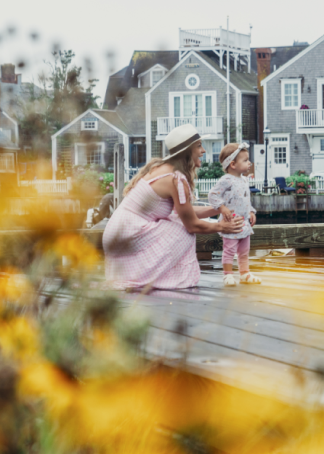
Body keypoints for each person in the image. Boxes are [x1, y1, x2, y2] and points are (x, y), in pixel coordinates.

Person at [103, 124, 244, 290]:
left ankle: (154, 277)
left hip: (118, 233)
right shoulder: (175, 179)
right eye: (199, 146)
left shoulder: (163, 169)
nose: (203, 151)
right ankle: (170, 279)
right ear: (187, 151)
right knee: (185, 231)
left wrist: (219, 208)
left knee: (178, 221)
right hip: (128, 235)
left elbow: (186, 213)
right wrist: (221, 226)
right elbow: (191, 224)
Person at [208, 142, 261, 287]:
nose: (249, 162)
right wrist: (222, 208)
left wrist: (251, 211)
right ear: (232, 164)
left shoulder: (244, 180)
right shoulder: (226, 180)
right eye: (245, 160)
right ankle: (228, 275)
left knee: (244, 251)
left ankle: (244, 273)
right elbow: (212, 195)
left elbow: (245, 199)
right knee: (229, 250)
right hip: (231, 223)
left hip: (243, 222)